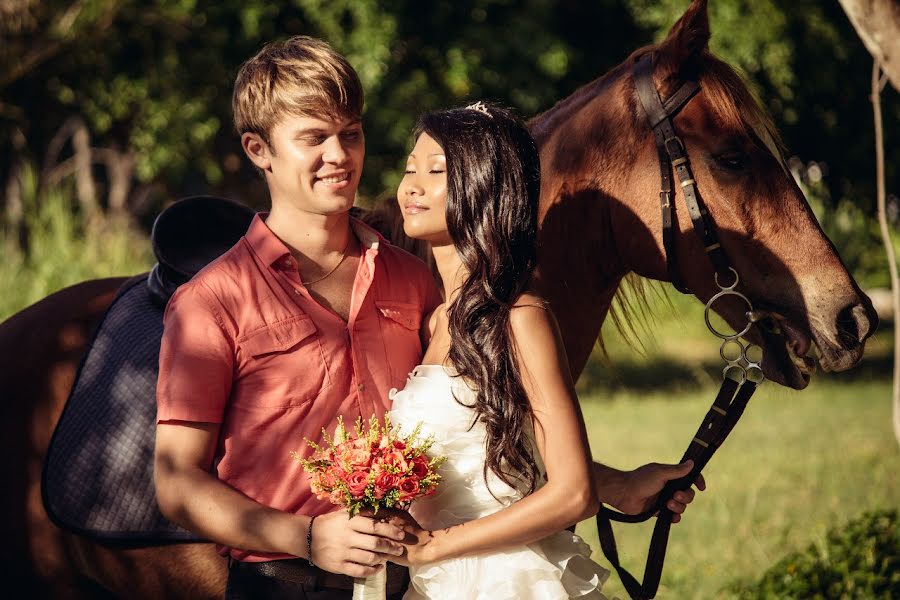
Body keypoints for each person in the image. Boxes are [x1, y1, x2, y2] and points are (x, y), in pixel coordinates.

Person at [153, 36, 442, 599]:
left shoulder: (412, 279)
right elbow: (176, 481)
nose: (340, 156)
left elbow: (471, 420)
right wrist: (306, 536)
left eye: (350, 134)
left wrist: (611, 482)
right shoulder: (212, 301)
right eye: (314, 138)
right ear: (259, 149)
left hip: (415, 579)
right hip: (282, 582)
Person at [383, 102, 706, 598]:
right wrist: (619, 483)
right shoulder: (437, 318)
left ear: (485, 187)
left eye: (436, 171)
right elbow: (497, 458)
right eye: (410, 168)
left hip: (500, 578)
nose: (412, 185)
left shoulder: (519, 316)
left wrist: (433, 546)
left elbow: (572, 493)